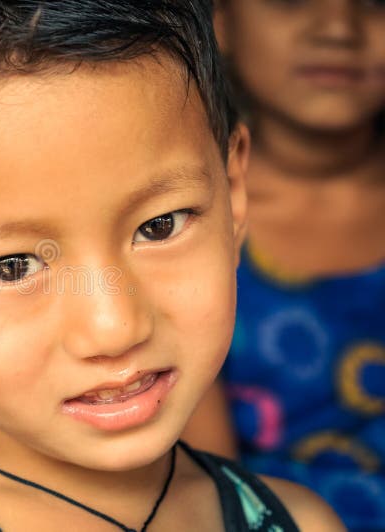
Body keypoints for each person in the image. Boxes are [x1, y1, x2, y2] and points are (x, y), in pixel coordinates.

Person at [0, 1, 345, 530]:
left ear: (232, 194)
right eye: (12, 266)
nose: (113, 327)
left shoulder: (299, 522)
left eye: (159, 225)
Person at [182, 1, 385, 530]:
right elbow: (208, 490)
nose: (339, 29)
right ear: (220, 20)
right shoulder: (185, 230)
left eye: (376, 3)